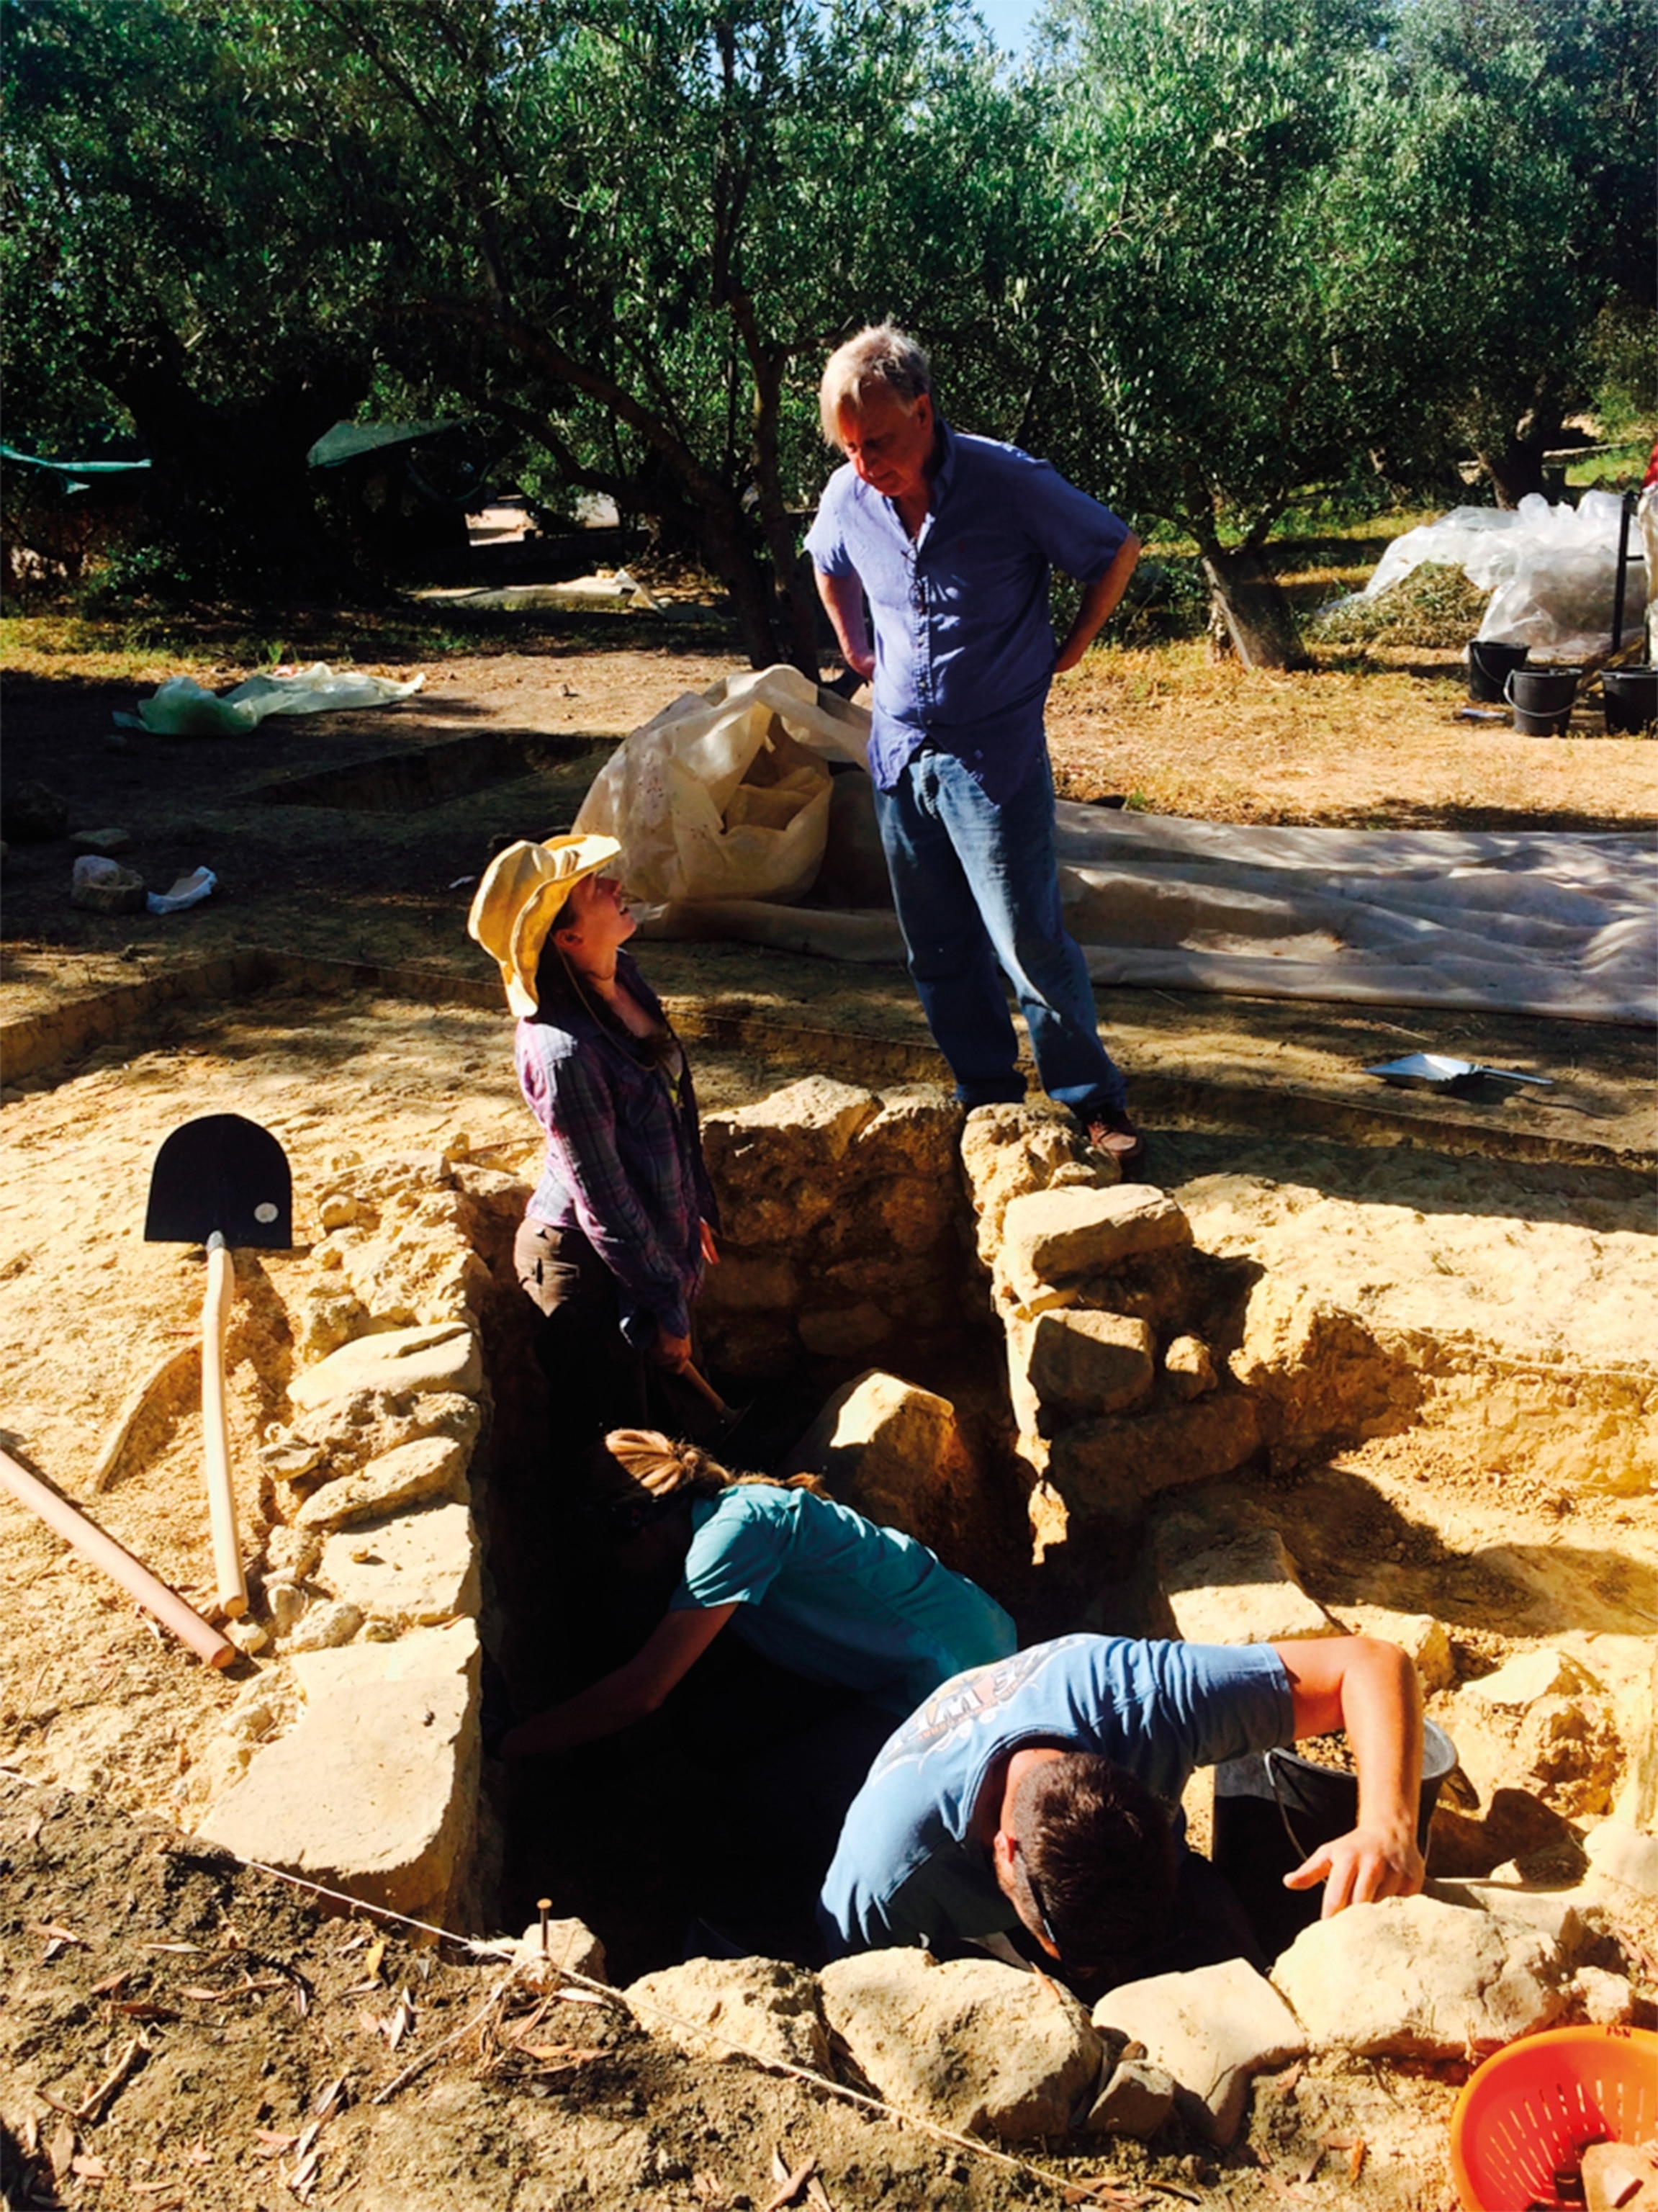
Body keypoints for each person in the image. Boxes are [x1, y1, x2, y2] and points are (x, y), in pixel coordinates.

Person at [805, 323, 1147, 1170]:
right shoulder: (847, 495)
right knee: (936, 945)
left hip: (993, 752)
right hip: (899, 752)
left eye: (878, 441)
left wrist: (1072, 647)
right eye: (848, 447)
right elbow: (827, 560)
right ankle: (986, 1095)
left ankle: (1090, 1100)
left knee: (1026, 937)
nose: (864, 463)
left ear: (922, 412)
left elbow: (1115, 548)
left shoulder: (1008, 482)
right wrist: (853, 645)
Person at [819, 1631, 1425, 1987]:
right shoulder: (888, 1875)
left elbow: (1370, 1663)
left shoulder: (1148, 1702)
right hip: (977, 1923)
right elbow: (852, 1991)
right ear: (1005, 1854)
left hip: (1108, 1879)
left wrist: (1386, 1823)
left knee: (1233, 1970)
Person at [500, 1428, 1018, 1760]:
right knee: (722, 1726)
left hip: (957, 1671)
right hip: (937, 1643)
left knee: (786, 1797)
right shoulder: (726, 1515)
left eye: (598, 1537)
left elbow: (642, 1693)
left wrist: (511, 1741)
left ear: (630, 1519)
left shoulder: (732, 1537)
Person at [467, 835, 718, 1453]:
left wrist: (693, 1207)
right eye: (590, 888)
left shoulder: (621, 975)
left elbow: (672, 1110)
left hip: (638, 1250)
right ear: (568, 937)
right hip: (585, 1271)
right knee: (623, 1457)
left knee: (664, 1435)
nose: (613, 885)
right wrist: (666, 1306)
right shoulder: (563, 1053)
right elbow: (604, 1201)